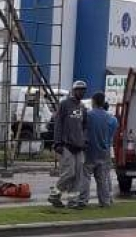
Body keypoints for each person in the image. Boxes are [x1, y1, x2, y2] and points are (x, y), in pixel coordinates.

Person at [49, 80, 88, 209]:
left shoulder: (83, 107)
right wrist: (57, 143)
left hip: (79, 147)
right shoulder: (65, 104)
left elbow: (84, 126)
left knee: (77, 176)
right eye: (79, 90)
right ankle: (54, 195)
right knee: (68, 173)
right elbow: (58, 124)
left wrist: (84, 141)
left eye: (83, 90)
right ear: (74, 90)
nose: (82, 92)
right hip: (66, 145)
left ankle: (73, 202)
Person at [82, 92, 114, 207]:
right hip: (104, 151)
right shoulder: (109, 117)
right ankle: (105, 202)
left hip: (90, 151)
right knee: (102, 179)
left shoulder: (88, 115)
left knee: (85, 177)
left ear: (94, 101)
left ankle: (83, 201)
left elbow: (83, 129)